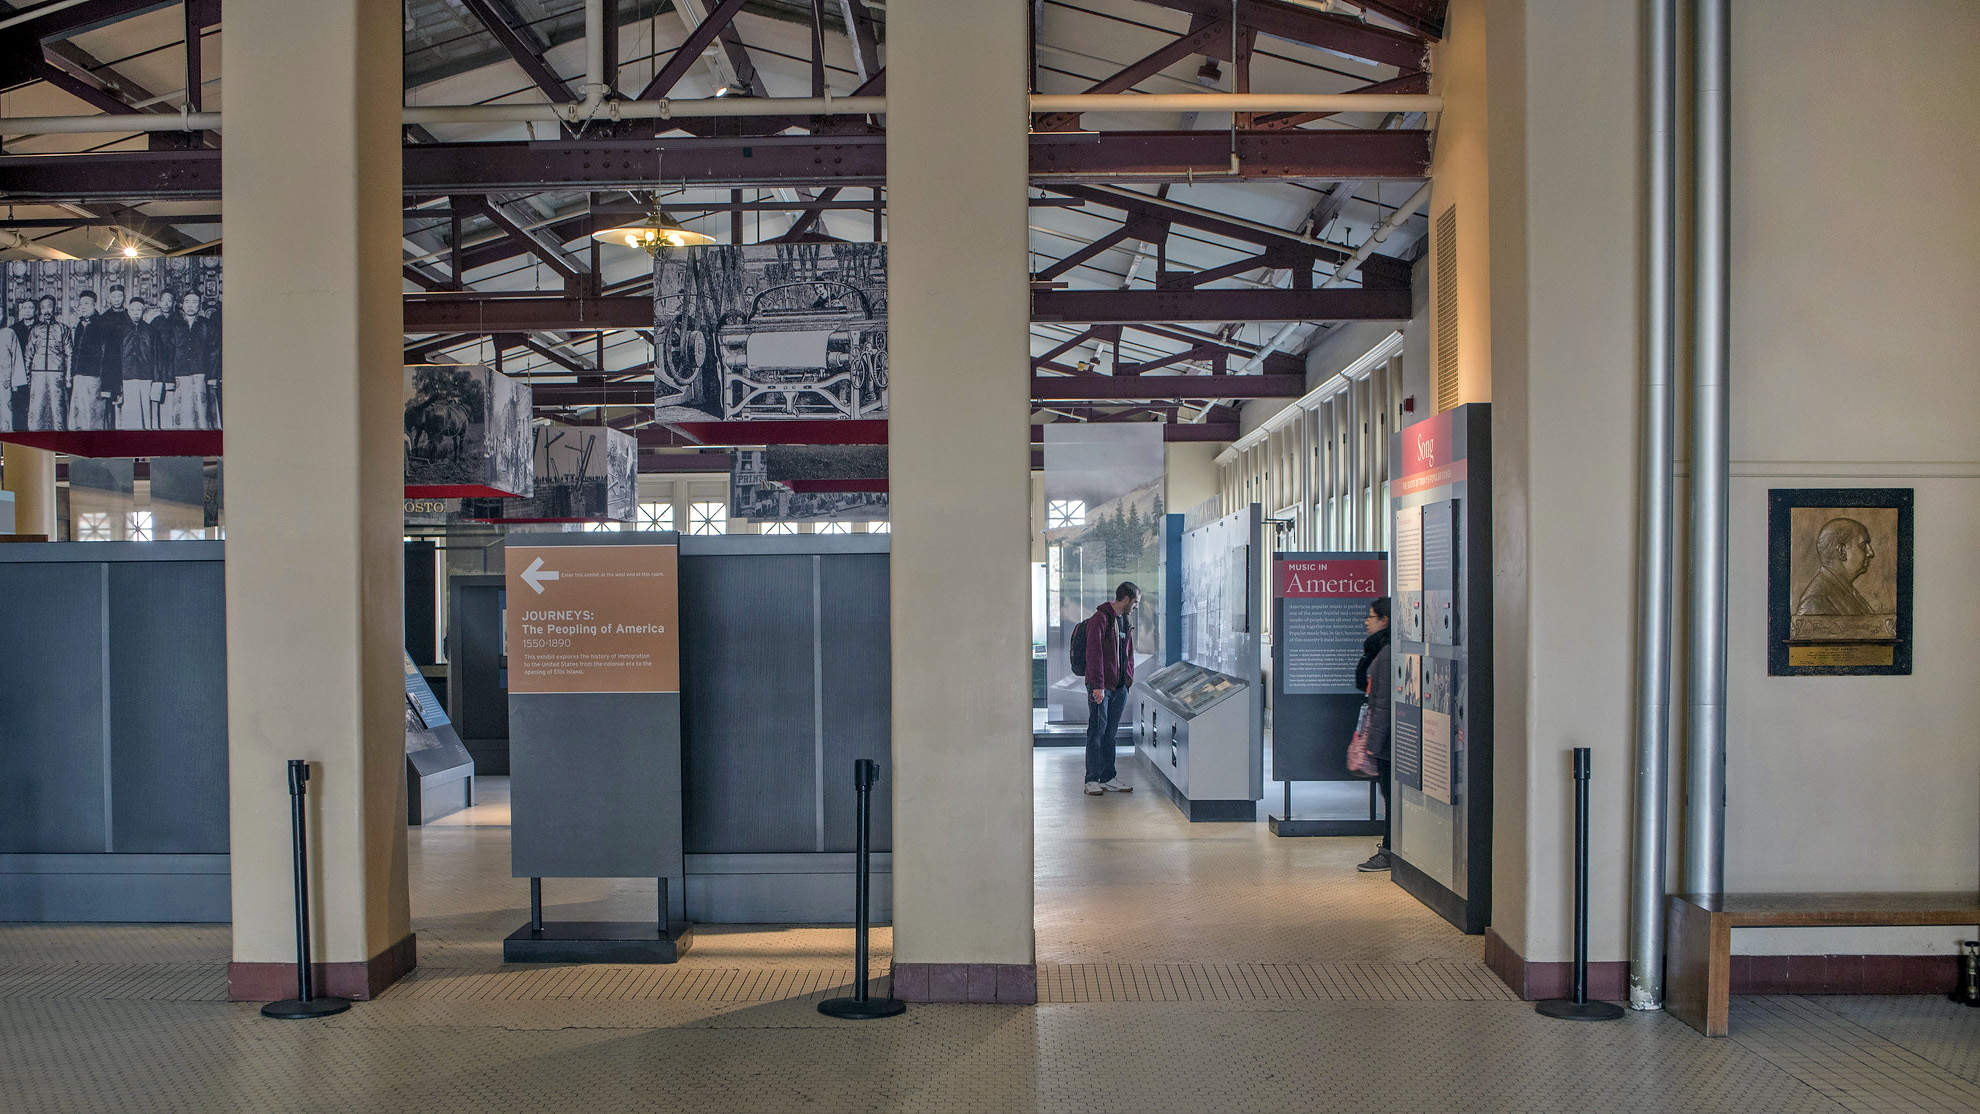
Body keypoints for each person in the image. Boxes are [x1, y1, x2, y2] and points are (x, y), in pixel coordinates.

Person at [1082, 581, 1140, 796]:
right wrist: (1098, 687)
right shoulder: (1100, 619)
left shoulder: (1125, 621)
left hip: (1119, 687)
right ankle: (1091, 779)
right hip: (1101, 688)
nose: (1136, 606)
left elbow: (1129, 653)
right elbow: (1094, 654)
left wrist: (1127, 680)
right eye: (1135, 602)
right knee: (1096, 732)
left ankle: (1108, 777)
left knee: (1110, 734)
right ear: (1125, 599)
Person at [1355, 598, 1395, 872]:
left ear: (1385, 620)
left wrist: (1374, 743)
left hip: (1387, 737)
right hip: (1383, 735)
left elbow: (1382, 704)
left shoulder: (1387, 653)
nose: (1366, 622)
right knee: (1388, 795)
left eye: (1371, 617)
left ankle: (1390, 850)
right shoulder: (1378, 649)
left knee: (1390, 796)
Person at [1795, 517, 1876, 616]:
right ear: (1842, 552)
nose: (1871, 553)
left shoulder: (1846, 590)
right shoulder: (1816, 601)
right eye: (1863, 546)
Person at [23, 294, 70, 430]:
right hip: (37, 374)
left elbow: (69, 354)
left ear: (55, 308)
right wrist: (27, 376)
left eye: (49, 306)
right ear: (40, 310)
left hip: (57, 374)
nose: (47, 310)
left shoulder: (63, 328)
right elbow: (29, 353)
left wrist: (68, 377)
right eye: (43, 307)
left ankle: (59, 440)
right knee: (37, 409)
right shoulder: (35, 329)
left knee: (58, 409)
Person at [67, 289, 109, 429]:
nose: (83, 307)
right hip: (78, 375)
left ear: (94, 305)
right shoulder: (79, 325)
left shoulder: (102, 324)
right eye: (80, 304)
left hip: (94, 377)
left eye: (86, 303)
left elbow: (107, 354)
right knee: (78, 413)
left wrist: (105, 380)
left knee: (94, 414)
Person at [7, 299, 33, 431]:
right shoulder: (13, 329)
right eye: (25, 308)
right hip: (19, 372)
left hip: (35, 372)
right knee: (19, 404)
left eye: (31, 308)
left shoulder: (39, 327)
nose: (27, 310)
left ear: (36, 310)